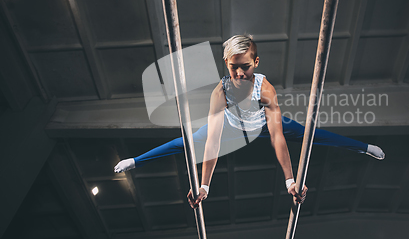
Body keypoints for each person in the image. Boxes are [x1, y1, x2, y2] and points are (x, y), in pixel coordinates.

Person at [114, 35, 385, 208]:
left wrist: (290, 181)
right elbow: (213, 142)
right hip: (231, 127)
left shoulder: (265, 89)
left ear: (256, 62)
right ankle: (135, 161)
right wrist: (204, 185)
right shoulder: (220, 93)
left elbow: (278, 137)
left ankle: (364, 147)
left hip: (264, 126)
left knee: (310, 133)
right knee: (183, 142)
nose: (241, 72)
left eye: (246, 66)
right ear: (226, 63)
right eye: (234, 67)